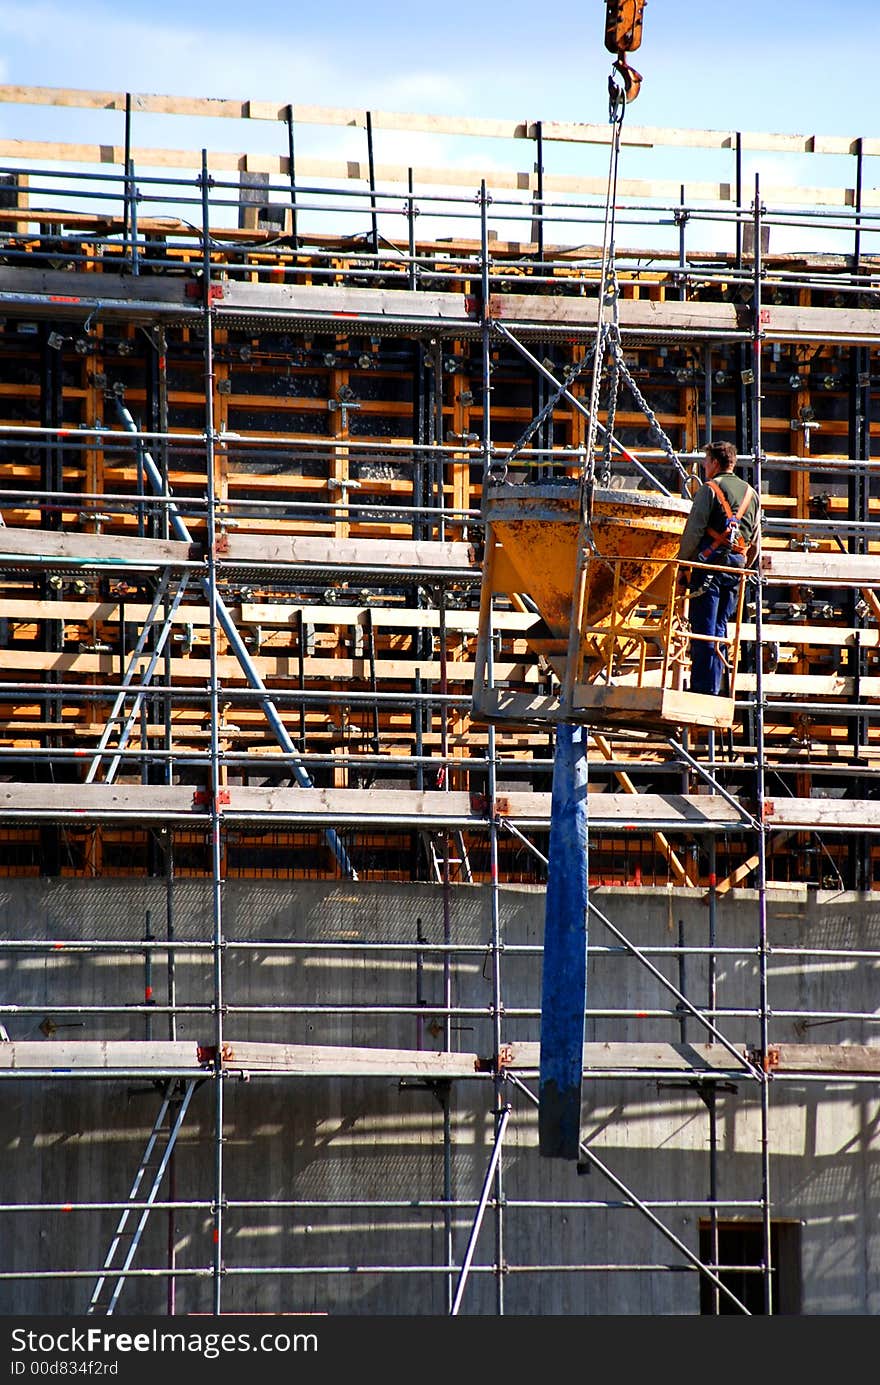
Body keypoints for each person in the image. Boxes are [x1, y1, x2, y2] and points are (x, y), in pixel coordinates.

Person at [677, 440, 759, 696]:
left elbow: (694, 532)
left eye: (705, 461)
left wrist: (682, 564)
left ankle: (703, 688)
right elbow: (755, 542)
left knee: (705, 627)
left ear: (714, 462)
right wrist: (743, 566)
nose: (703, 466)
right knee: (721, 626)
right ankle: (716, 685)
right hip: (736, 569)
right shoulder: (751, 494)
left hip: (709, 568)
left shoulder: (709, 489)